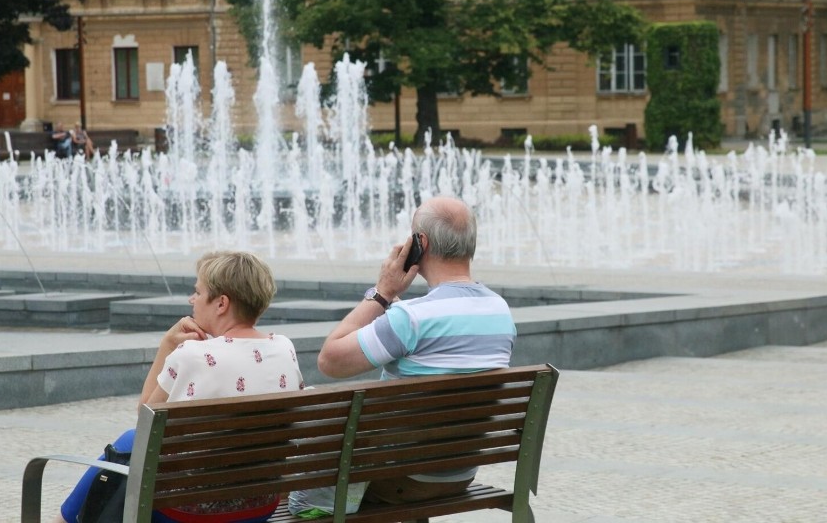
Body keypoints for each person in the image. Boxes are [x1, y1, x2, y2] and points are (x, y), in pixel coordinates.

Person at [58, 251, 305, 523]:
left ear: (221, 303)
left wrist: (167, 344)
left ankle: (63, 520)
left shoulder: (192, 354)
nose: (192, 300)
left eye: (197, 292)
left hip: (186, 513)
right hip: (259, 506)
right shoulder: (284, 348)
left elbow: (146, 420)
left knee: (130, 440)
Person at [317, 196, 516, 504]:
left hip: (400, 478)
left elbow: (330, 361)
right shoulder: (500, 312)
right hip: (459, 476)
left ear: (420, 243)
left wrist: (382, 293)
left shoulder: (410, 318)